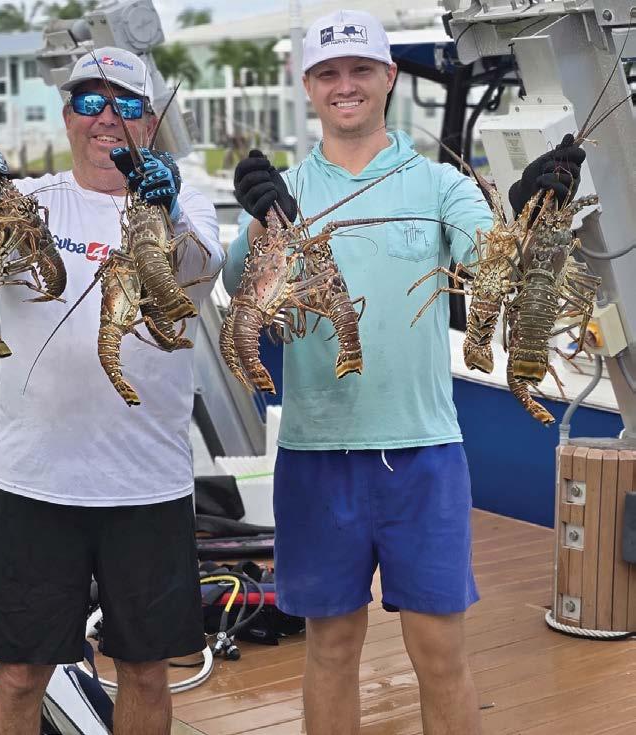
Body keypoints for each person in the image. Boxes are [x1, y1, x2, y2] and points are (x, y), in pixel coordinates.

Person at [224, 9, 585, 735]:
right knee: (330, 646)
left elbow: (489, 256)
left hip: (423, 453)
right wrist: (259, 215)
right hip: (316, 452)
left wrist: (525, 206)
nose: (345, 85)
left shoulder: (440, 183)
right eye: (329, 72)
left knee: (440, 651)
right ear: (307, 85)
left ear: (388, 77)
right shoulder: (286, 188)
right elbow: (240, 286)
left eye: (361, 69)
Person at [0, 47, 223, 735]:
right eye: (90, 102)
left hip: (147, 484)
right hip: (38, 483)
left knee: (147, 670)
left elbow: (200, 269)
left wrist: (165, 206)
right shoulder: (30, 201)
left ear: (150, 120)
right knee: (17, 674)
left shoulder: (186, 203)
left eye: (126, 104)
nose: (108, 118)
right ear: (67, 115)